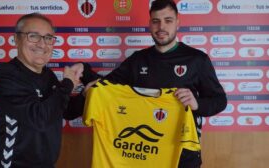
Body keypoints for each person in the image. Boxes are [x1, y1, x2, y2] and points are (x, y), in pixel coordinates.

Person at [81, 0, 227, 167]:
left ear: (178, 23)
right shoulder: (137, 60)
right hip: (145, 152)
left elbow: (220, 101)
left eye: (168, 20)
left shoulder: (197, 59)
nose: (161, 27)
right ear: (150, 24)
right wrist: (84, 71)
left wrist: (196, 104)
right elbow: (106, 86)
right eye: (156, 21)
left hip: (184, 154)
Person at [0, 13, 85, 168]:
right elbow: (39, 119)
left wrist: (86, 94)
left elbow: (65, 111)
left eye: (48, 38)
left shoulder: (48, 74)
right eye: (33, 36)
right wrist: (67, 85)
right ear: (16, 39)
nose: (42, 44)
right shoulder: (5, 78)